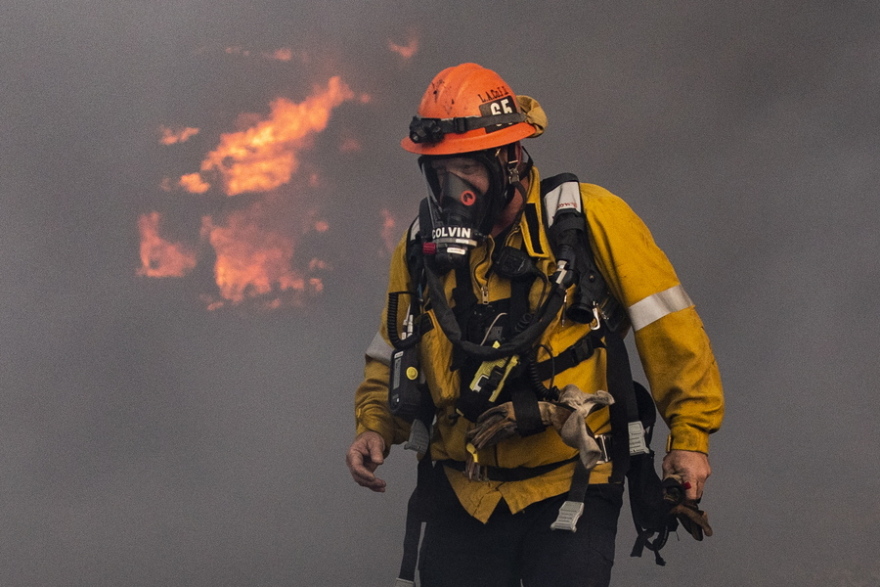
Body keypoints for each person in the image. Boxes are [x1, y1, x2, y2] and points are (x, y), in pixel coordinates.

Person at [346, 63, 724, 587]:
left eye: (466, 170)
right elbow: (393, 347)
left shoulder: (588, 219)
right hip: (463, 489)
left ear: (510, 157)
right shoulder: (420, 248)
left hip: (571, 483)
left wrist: (690, 437)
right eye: (438, 172)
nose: (451, 189)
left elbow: (670, 329)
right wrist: (374, 425)